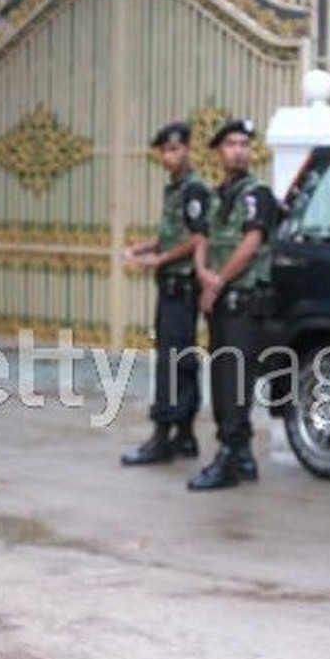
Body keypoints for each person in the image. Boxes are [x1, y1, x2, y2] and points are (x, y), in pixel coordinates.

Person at [188, 118, 277, 491]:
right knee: (222, 378)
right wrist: (202, 273)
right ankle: (242, 457)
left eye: (244, 143)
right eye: (231, 144)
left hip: (243, 302)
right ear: (218, 151)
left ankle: (229, 456)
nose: (238, 150)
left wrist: (218, 281)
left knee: (234, 382)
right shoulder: (216, 194)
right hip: (220, 301)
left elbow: (252, 242)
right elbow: (202, 239)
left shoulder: (258, 194)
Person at [120, 121, 210, 466]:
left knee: (173, 362)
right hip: (171, 282)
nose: (171, 156)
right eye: (166, 151)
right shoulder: (174, 189)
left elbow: (197, 238)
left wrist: (160, 258)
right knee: (180, 360)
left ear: (187, 149)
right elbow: (172, 235)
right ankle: (184, 436)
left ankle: (162, 436)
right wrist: (144, 248)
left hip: (182, 284)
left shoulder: (193, 190)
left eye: (176, 149)